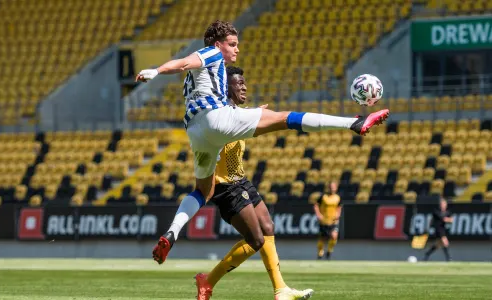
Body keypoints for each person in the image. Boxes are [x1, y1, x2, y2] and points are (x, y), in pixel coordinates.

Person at [135, 20, 390, 265]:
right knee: (285, 118)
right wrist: (156, 71)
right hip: (217, 119)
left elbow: (200, 85)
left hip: (196, 131)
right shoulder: (210, 54)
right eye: (232, 44)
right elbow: (183, 63)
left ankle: (172, 233)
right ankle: (354, 123)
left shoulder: (197, 78)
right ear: (217, 44)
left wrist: (251, 113)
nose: (237, 49)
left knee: (203, 191)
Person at [193, 66, 313, 300]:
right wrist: (255, 115)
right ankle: (207, 281)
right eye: (239, 83)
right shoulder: (217, 116)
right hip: (226, 186)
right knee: (256, 239)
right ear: (226, 87)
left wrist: (254, 113)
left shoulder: (237, 112)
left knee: (268, 227)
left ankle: (280, 290)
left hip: (241, 180)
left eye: (244, 83)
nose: (244, 87)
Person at [313, 182, 341, 260]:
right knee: (322, 238)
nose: (332, 188)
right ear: (328, 188)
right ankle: (320, 252)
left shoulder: (337, 197)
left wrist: (338, 214)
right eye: (330, 187)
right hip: (324, 221)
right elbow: (316, 205)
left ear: (336, 188)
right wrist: (318, 214)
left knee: (334, 236)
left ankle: (329, 250)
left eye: (333, 187)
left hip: (333, 221)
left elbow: (339, 207)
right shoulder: (323, 197)